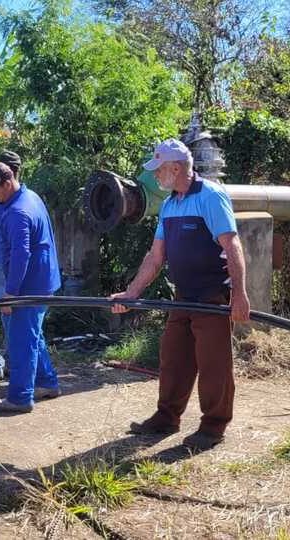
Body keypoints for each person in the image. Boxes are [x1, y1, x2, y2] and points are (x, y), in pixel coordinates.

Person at [110, 138, 250, 451]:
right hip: (183, 296)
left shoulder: (211, 196)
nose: (156, 176)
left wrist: (239, 294)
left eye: (159, 170)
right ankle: (166, 417)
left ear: (175, 168)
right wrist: (131, 292)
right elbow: (155, 256)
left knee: (214, 365)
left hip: (213, 297)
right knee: (173, 358)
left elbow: (233, 245)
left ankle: (213, 426)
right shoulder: (171, 204)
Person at [0, 162, 62, 413]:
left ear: (8, 182)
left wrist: (11, 293)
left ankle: (20, 398)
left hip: (29, 286)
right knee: (33, 334)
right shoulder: (30, 196)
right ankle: (47, 382)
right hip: (44, 280)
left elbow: (20, 254)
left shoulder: (17, 212)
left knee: (20, 340)